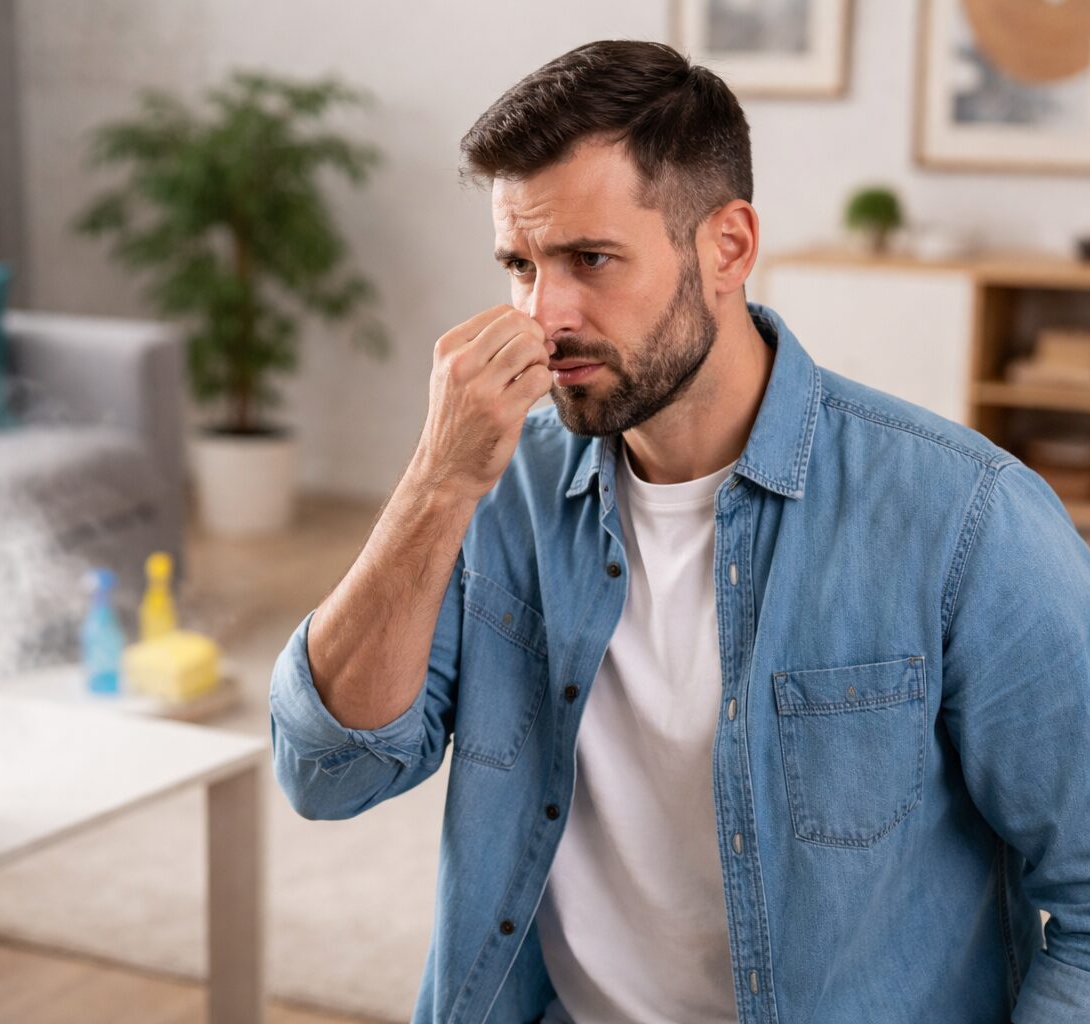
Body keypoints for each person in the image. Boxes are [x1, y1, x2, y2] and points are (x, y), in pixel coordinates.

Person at [268, 38, 1090, 1024]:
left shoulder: (968, 519)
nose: (543, 314)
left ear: (728, 247)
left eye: (591, 259)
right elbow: (328, 773)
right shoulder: (496, 485)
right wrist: (434, 487)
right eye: (520, 265)